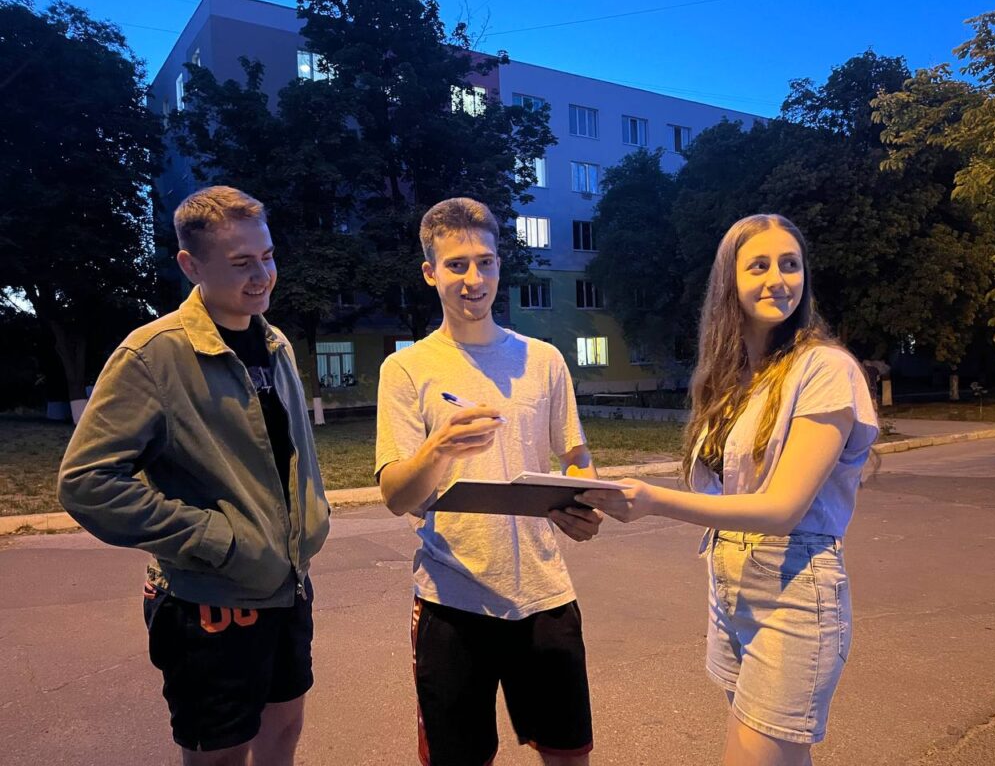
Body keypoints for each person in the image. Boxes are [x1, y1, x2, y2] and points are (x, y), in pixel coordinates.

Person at [580, 214, 878, 765]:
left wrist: (653, 501)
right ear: (730, 282)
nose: (778, 279)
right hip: (730, 589)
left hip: (793, 595)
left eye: (790, 264)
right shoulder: (732, 379)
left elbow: (783, 509)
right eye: (759, 266)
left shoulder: (825, 369)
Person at [57, 186, 331, 766]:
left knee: (284, 730)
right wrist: (214, 540)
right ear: (191, 265)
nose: (262, 275)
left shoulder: (275, 342)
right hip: (209, 600)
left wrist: (312, 520)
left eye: (268, 256)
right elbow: (86, 482)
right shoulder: (152, 355)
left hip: (288, 586)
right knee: (221, 755)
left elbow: (287, 456)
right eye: (241, 262)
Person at [375, 197, 603, 766]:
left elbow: (575, 453)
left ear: (500, 265)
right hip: (450, 600)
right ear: (430, 272)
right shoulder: (405, 369)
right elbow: (396, 495)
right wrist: (439, 447)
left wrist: (585, 498)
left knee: (569, 753)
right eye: (456, 265)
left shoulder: (543, 359)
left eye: (485, 262)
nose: (473, 279)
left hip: (544, 595)